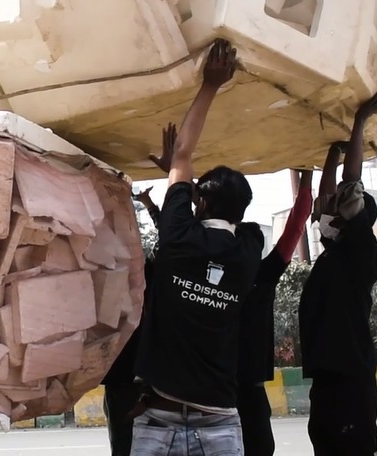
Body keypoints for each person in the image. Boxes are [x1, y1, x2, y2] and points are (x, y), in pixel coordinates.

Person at [130, 39, 265, 456]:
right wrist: (179, 178)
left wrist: (209, 85)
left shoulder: (178, 238)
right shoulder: (248, 248)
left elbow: (184, 154)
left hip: (159, 420)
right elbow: (186, 165)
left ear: (198, 202)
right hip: (221, 422)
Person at [298, 90, 377, 456]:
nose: (329, 208)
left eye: (340, 204)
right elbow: (327, 196)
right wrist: (331, 153)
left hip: (348, 377)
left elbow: (349, 184)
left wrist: (360, 122)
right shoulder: (336, 249)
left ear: (352, 218)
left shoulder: (361, 253)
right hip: (329, 375)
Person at [102, 125, 176, 456]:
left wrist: (150, 207)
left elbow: (172, 241)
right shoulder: (118, 272)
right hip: (130, 379)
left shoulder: (143, 272)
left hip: (139, 380)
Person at [237, 169, 314, 456]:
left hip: (215, 389)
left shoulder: (217, 273)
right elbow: (296, 225)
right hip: (252, 388)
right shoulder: (265, 272)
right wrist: (306, 175)